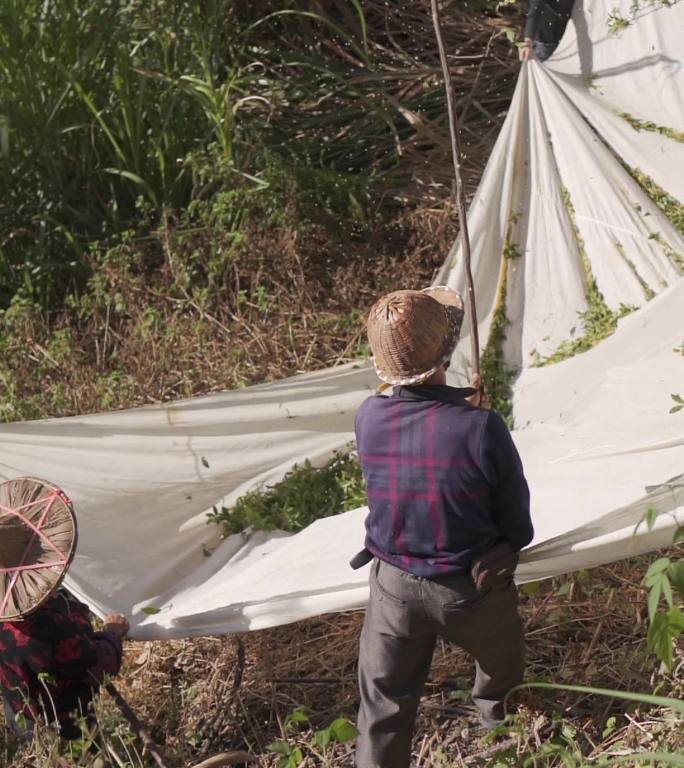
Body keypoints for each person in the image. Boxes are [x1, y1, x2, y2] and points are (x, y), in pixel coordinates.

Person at [353, 287, 534, 768]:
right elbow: (519, 526)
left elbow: (415, 423)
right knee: (501, 681)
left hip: (392, 589)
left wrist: (464, 411)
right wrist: (475, 417)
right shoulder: (480, 428)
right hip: (469, 590)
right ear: (446, 349)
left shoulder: (367, 418)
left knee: (382, 711)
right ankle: (503, 738)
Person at [0, 477, 129, 741]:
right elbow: (99, 667)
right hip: (66, 726)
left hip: (21, 713)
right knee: (81, 754)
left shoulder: (10, 617)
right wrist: (112, 633)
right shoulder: (52, 628)